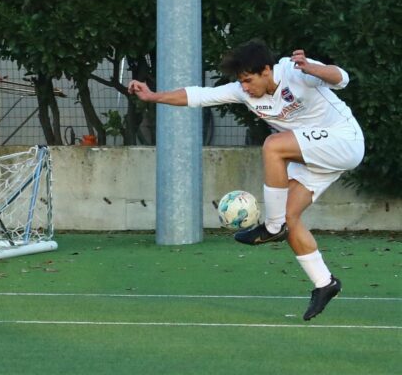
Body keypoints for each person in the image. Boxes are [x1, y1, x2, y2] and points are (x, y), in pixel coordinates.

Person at [128, 39, 364, 321]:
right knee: (292, 217)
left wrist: (313, 68)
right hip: (312, 155)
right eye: (241, 82)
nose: (245, 87)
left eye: (249, 80)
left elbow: (342, 78)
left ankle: (272, 227)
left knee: (273, 146)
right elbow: (199, 95)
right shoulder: (244, 92)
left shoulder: (295, 71)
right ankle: (325, 283)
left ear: (267, 70)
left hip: (343, 140)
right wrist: (154, 97)